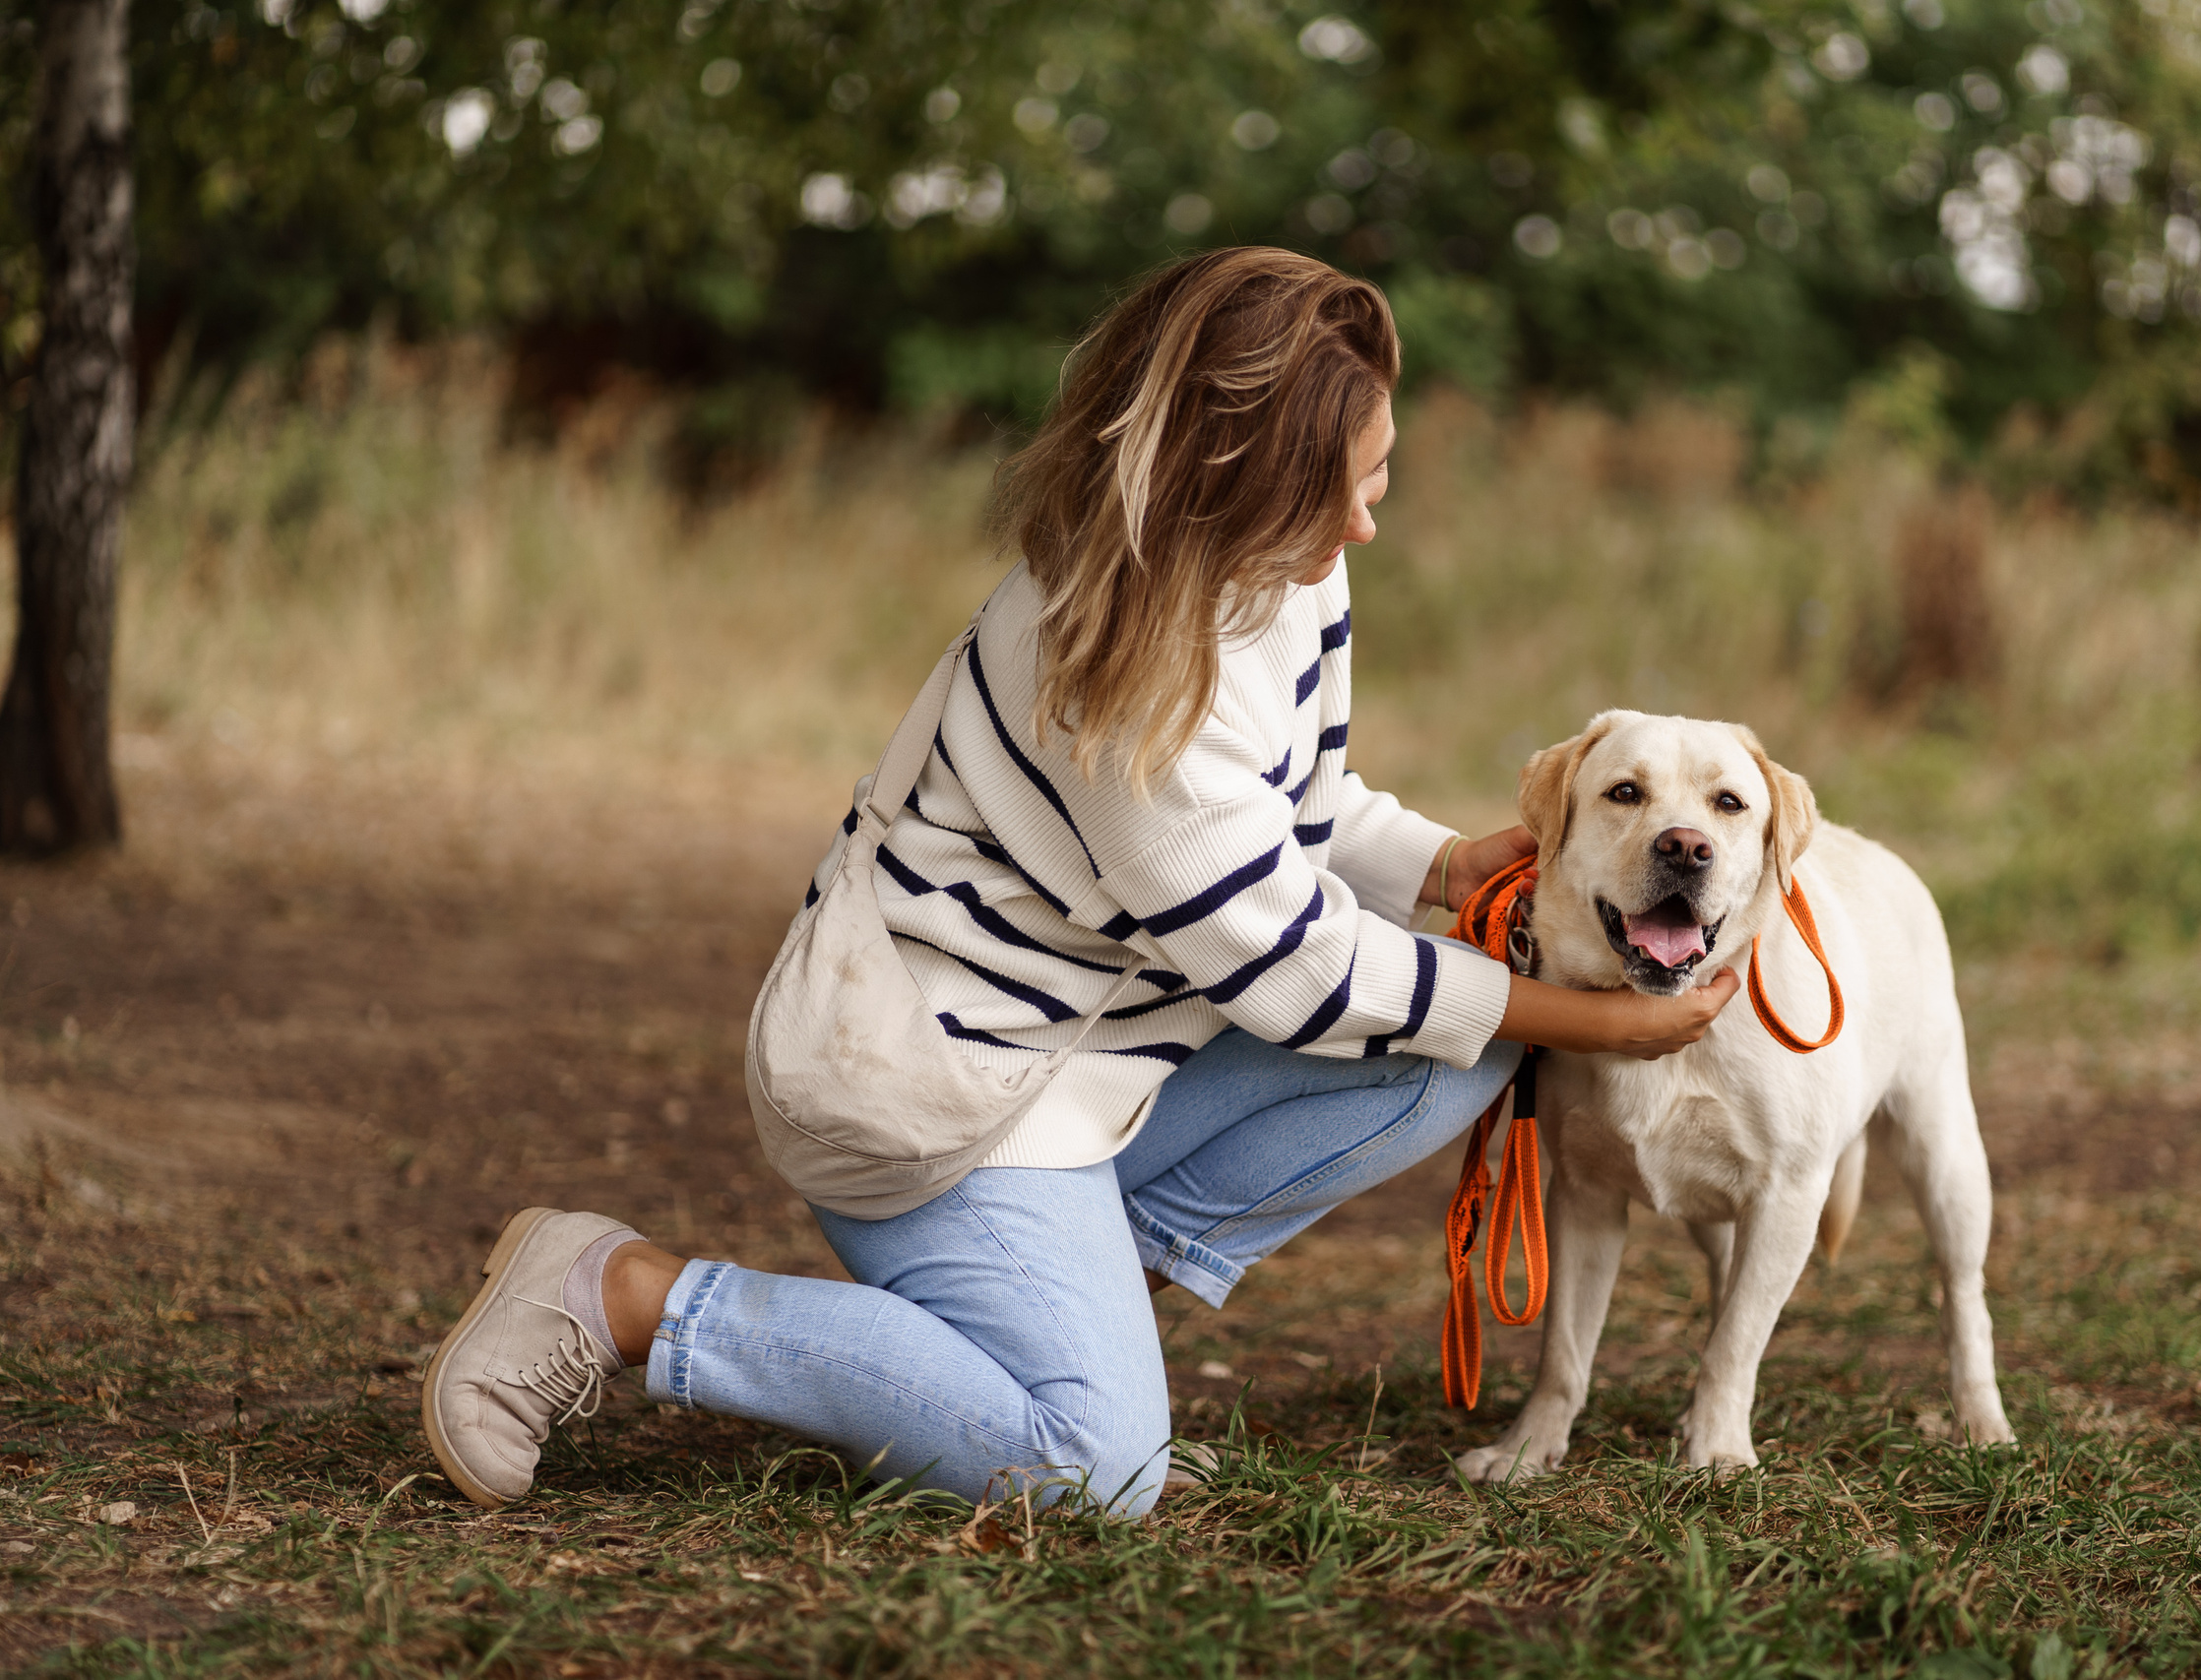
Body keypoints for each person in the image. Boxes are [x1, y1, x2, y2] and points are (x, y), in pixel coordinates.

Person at [420, 248, 1739, 1518]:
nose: (1363, 523)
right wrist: (1602, 1022)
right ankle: (627, 1293)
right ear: (1229, 480)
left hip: (1089, 1068)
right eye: (1338, 490)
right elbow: (1290, 968)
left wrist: (1445, 865)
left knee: (1457, 1049)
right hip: (934, 1096)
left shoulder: (1286, 566)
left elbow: (1296, 808)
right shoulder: (1124, 686)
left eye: (1377, 476)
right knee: (1093, 1471)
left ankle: (1066, 1313)